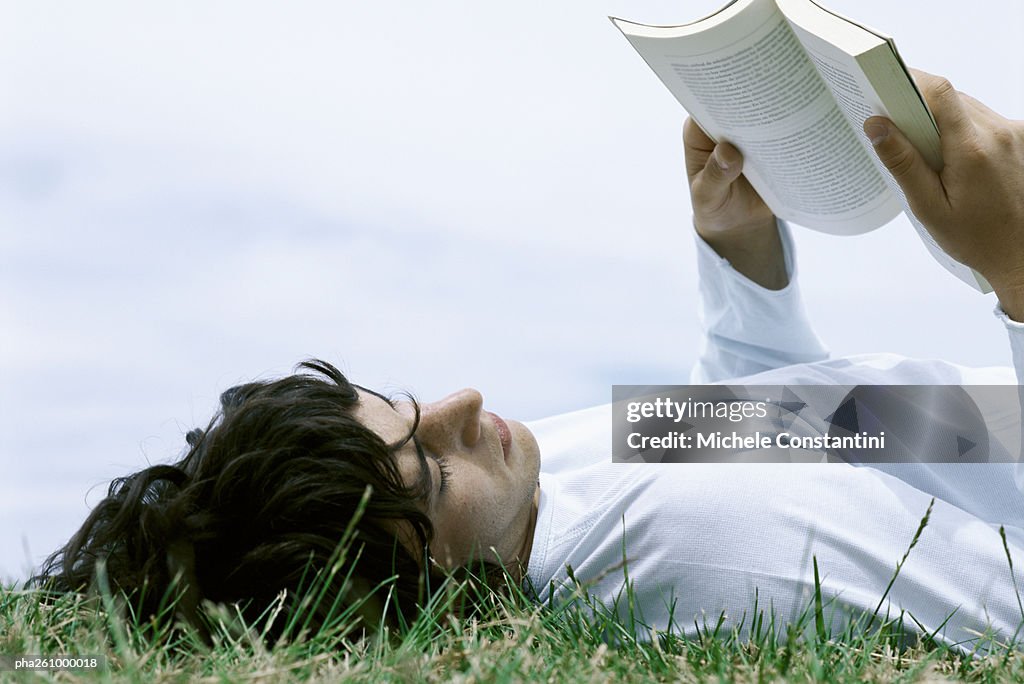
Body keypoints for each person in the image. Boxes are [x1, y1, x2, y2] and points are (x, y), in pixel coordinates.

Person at [35, 71, 1024, 651]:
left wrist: (741, 259)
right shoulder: (698, 551)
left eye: (408, 407)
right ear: (419, 579)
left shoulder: (535, 484)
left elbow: (802, 428)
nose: (465, 405)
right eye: (433, 468)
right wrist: (1012, 268)